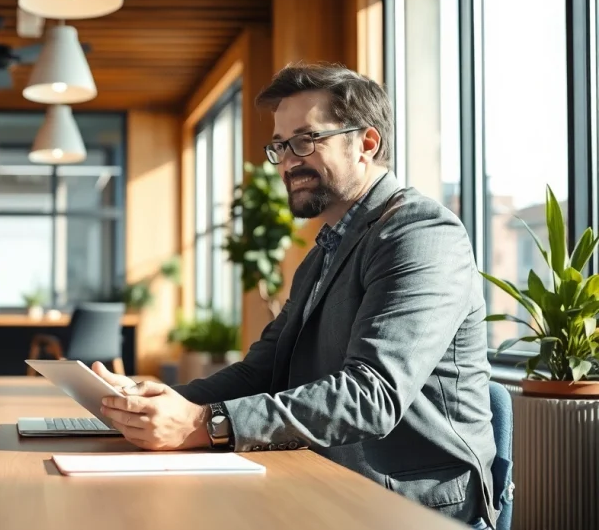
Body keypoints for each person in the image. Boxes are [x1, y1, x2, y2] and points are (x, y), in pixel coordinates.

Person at [92, 63, 497, 529]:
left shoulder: (420, 233)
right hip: (324, 480)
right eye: (280, 146)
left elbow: (373, 395)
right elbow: (263, 370)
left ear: (366, 143)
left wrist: (205, 422)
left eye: (306, 140)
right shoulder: (326, 249)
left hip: (409, 506)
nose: (288, 161)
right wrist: (163, 403)